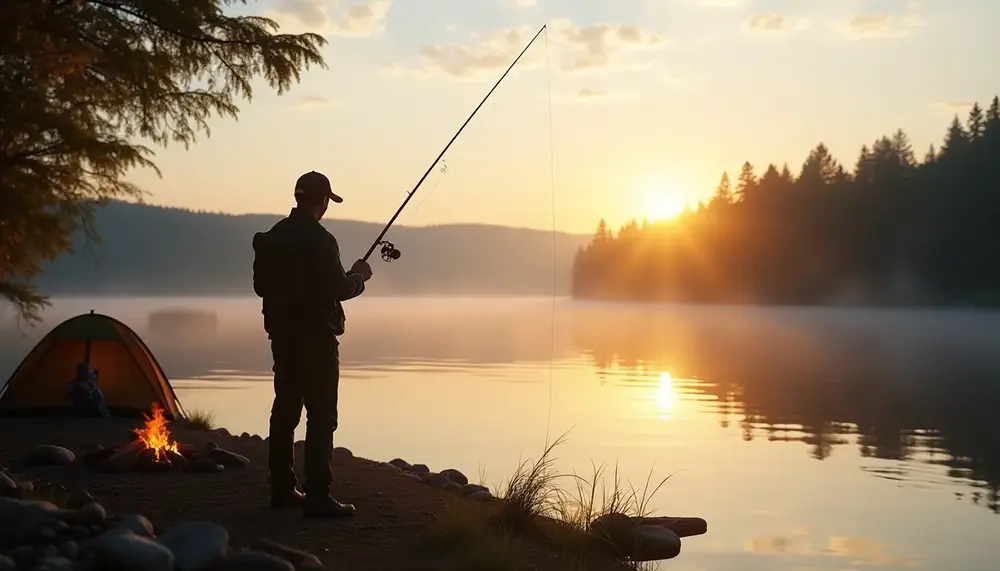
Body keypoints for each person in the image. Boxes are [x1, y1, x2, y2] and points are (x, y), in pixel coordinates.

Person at [252, 170, 373, 518]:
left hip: (282, 337)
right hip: (317, 340)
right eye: (327, 201)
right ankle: (318, 496)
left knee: (285, 412)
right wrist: (359, 278)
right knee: (321, 416)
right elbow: (340, 288)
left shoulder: (271, 237)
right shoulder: (321, 239)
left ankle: (282, 489)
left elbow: (261, 287)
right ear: (321, 201)